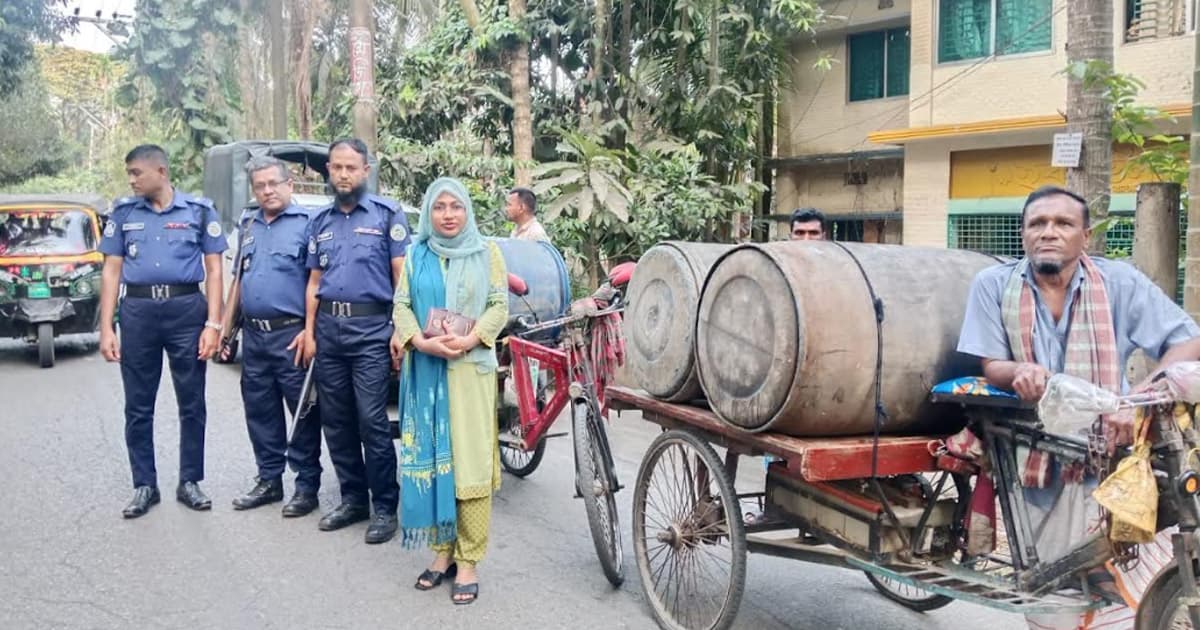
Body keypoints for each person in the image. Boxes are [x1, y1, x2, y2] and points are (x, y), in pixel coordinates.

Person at [957, 184, 1200, 629]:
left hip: (1109, 442)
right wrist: (1018, 371)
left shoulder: (1119, 281)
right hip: (1030, 448)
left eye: (1063, 223)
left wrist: (1134, 400)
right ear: (1023, 233)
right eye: (1037, 223)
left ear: (1085, 236)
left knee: (1123, 562)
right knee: (1050, 580)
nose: (1048, 232)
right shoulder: (993, 284)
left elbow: (1187, 341)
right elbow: (991, 363)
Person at [394, 177, 508, 606]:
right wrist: (420, 343)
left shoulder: (487, 252)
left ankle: (469, 560)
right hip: (425, 371)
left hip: (469, 372)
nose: (447, 214)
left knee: (469, 464)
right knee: (434, 459)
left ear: (467, 211)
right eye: (439, 206)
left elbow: (499, 305)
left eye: (455, 206)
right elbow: (401, 305)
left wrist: (471, 338)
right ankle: (442, 553)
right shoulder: (415, 254)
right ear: (428, 212)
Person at [98, 144, 227, 518]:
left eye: (136, 172)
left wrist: (213, 324)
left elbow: (215, 270)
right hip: (138, 313)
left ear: (161, 172)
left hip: (186, 310)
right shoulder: (123, 214)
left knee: (192, 401)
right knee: (138, 405)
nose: (131, 180)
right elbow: (111, 271)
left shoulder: (198, 211)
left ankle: (190, 481)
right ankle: (144, 485)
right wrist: (106, 328)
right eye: (130, 173)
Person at [302, 138, 410, 544]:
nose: (343, 174)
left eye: (351, 167)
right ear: (328, 171)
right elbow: (314, 282)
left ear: (366, 170)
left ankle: (384, 506)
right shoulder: (319, 222)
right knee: (336, 420)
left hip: (371, 332)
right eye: (336, 167)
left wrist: (400, 328)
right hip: (330, 332)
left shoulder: (386, 215)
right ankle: (352, 500)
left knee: (371, 420)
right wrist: (310, 331)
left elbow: (402, 277)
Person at [222, 156, 324, 516]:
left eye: (272, 184)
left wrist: (311, 331)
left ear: (289, 185)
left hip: (291, 336)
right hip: (254, 336)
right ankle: (269, 479)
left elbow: (318, 284)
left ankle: (306, 486)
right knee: (260, 409)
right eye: (259, 186)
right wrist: (225, 331)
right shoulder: (249, 223)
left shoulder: (308, 224)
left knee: (302, 412)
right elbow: (239, 280)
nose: (267, 191)